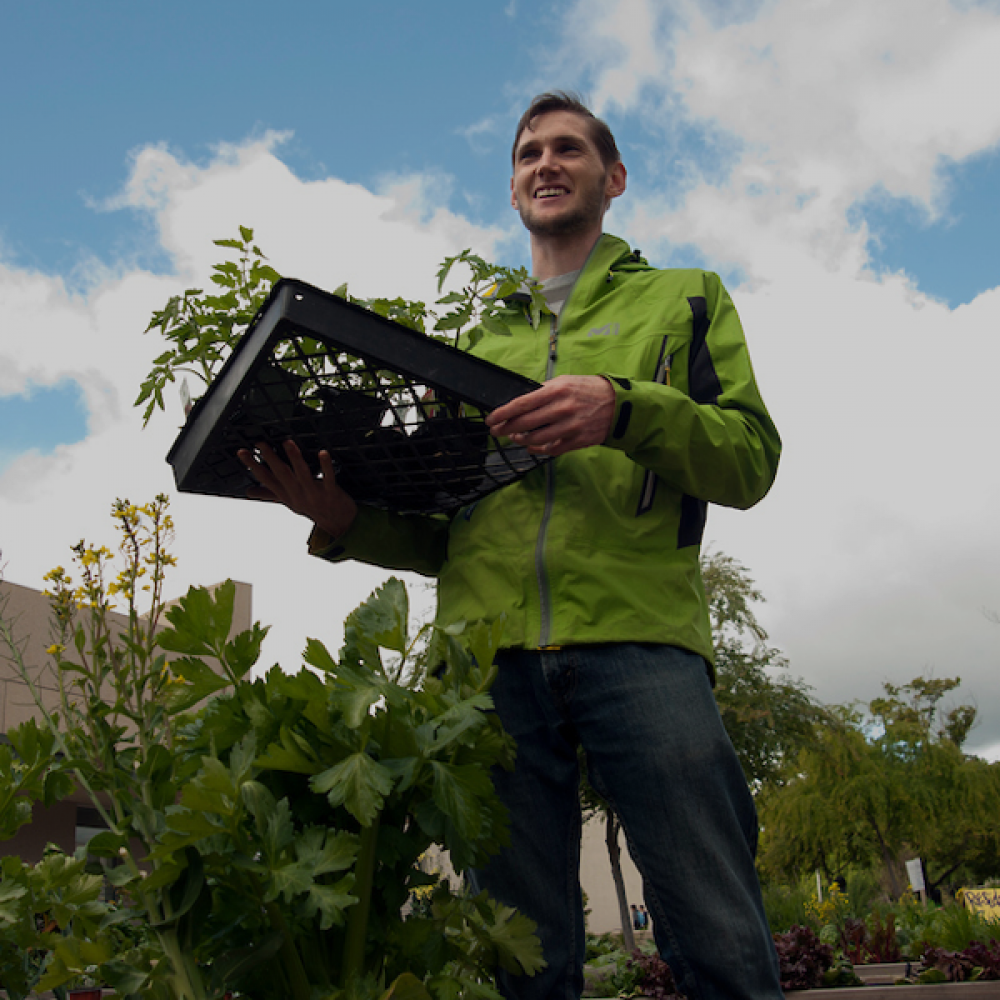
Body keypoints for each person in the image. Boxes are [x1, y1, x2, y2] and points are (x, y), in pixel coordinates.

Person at [239, 92, 783, 1000]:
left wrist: (625, 408)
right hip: (486, 667)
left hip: (640, 642)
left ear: (612, 180)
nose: (546, 163)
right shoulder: (467, 338)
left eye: (569, 149)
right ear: (513, 186)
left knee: (718, 932)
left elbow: (751, 459)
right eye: (530, 152)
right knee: (518, 957)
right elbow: (449, 528)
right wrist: (345, 523)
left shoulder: (685, 299)